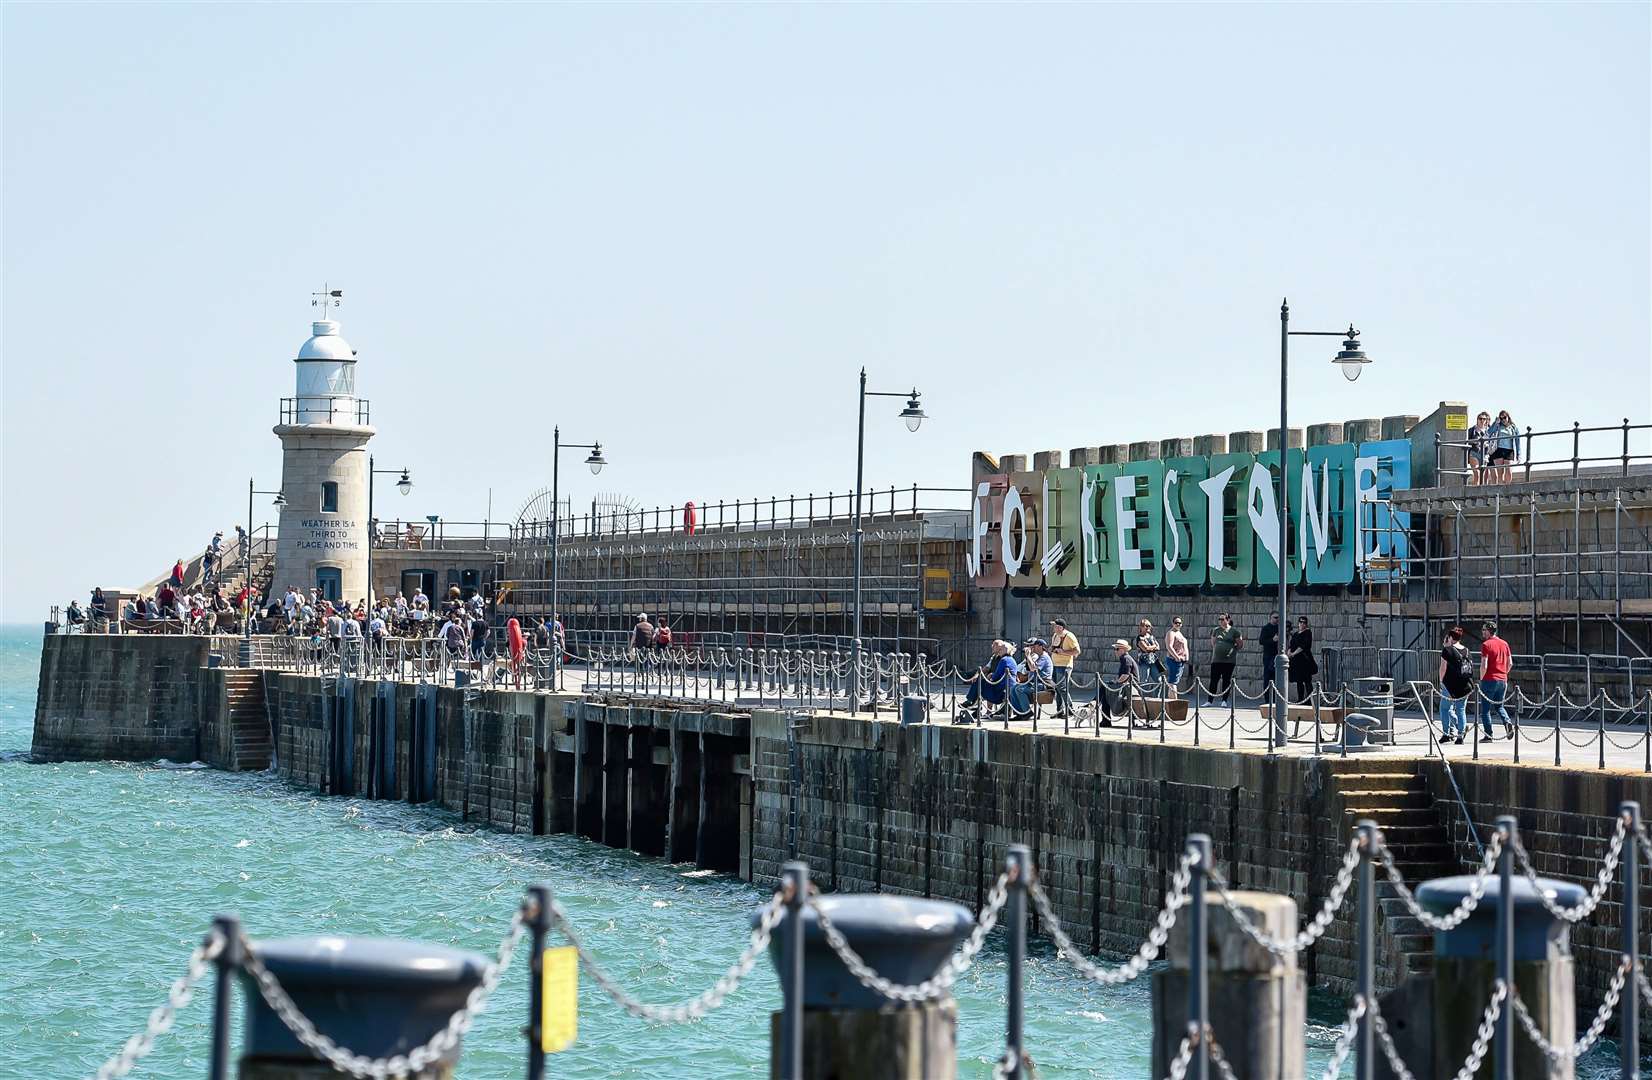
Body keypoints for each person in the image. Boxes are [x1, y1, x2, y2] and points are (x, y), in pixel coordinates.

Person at [957, 640, 1018, 722]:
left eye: (1001, 649)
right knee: (981, 683)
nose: (998, 650)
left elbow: (996, 675)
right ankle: (973, 703)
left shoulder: (1004, 660)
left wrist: (991, 676)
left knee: (980, 684)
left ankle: (972, 702)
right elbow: (987, 668)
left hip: (1001, 689)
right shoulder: (1009, 659)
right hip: (1002, 686)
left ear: (1006, 650)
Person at [1478, 620, 1515, 740]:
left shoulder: (1486, 645)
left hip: (1489, 679)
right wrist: (1504, 673)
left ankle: (1488, 734)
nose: (1482, 632)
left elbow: (1484, 665)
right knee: (1499, 706)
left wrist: (1481, 679)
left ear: (1489, 631)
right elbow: (1510, 663)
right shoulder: (1505, 644)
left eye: (1484, 630)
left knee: (1485, 709)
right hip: (1503, 679)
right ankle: (1507, 722)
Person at [1438, 626, 1473, 744]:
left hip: (1450, 685)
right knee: (1461, 709)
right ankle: (1460, 736)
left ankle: (1446, 733)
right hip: (1465, 685)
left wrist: (1441, 681)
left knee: (1444, 708)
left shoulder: (1447, 650)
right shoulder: (1467, 650)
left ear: (1450, 637)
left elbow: (1443, 668)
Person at [1099, 639, 1140, 727]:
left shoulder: (1126, 659)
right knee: (1105, 687)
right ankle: (1097, 704)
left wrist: (1116, 682)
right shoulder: (1125, 658)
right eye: (1115, 649)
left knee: (1104, 688)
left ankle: (1103, 716)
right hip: (1127, 685)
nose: (1115, 651)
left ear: (1123, 650)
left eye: (1117, 649)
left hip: (1129, 687)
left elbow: (1125, 675)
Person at [1206, 614, 1242, 705]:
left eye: (1222, 619)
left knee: (1226, 680)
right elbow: (1213, 643)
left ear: (1228, 620)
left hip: (1229, 661)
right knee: (1214, 680)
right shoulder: (1216, 630)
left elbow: (1240, 644)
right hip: (1216, 660)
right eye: (1219, 619)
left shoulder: (1234, 631)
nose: (1220, 621)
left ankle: (1224, 700)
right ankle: (1210, 700)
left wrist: (1231, 651)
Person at [1048, 618, 1081, 718]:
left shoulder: (1069, 636)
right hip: (1055, 664)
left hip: (1065, 665)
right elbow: (1053, 647)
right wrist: (1051, 649)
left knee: (1062, 687)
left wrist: (1064, 652)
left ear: (1060, 627)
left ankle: (1071, 709)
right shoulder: (1055, 635)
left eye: (1055, 626)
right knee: (1057, 688)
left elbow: (1077, 651)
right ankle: (1059, 711)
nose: (1053, 628)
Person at [1012, 638, 1052, 718]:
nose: (1032, 648)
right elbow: (1030, 668)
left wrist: (1028, 656)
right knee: (1013, 688)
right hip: (1034, 683)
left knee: (1019, 689)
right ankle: (1020, 713)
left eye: (1034, 646)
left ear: (1040, 647)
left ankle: (1027, 712)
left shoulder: (1044, 657)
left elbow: (1034, 668)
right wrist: (1028, 657)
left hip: (1042, 684)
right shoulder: (1040, 657)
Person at [1287, 616, 1317, 706]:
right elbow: (1291, 645)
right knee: (1299, 681)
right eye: (1301, 622)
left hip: (1305, 660)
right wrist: (1289, 652)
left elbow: (1303, 646)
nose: (1302, 624)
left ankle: (1309, 700)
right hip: (1296, 661)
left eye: (1304, 622)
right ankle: (1300, 699)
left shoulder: (1308, 633)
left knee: (1307, 681)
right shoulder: (1296, 634)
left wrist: (1293, 653)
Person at [1487, 410, 1520, 484]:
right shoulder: (1498, 426)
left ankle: (1507, 490)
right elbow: (1489, 432)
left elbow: (1518, 441)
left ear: (1508, 417)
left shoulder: (1513, 427)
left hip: (1509, 450)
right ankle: (1500, 491)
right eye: (1501, 418)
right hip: (1498, 450)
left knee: (1509, 471)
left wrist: (1518, 454)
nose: (1503, 420)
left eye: (1504, 417)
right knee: (1500, 473)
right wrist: (1496, 423)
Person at [1134, 619, 1163, 692]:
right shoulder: (1139, 637)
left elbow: (1158, 647)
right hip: (1144, 662)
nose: (1148, 628)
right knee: (1144, 681)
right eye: (1146, 626)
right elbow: (1145, 649)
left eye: (1149, 626)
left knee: (1158, 681)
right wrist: (1153, 647)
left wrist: (1151, 648)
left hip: (1153, 661)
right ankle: (1141, 699)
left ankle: (1156, 699)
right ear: (1141, 627)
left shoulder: (1151, 636)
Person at [1163, 617, 1188, 699]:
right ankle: (1174, 701)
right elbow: (1169, 646)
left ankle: (1171, 701)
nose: (1178, 624)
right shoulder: (1171, 633)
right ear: (1172, 623)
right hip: (1173, 660)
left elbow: (1185, 646)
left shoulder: (1179, 633)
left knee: (1173, 682)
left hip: (1181, 660)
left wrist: (1186, 656)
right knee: (1173, 682)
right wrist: (1176, 657)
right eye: (1176, 622)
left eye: (1180, 623)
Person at [1466, 410, 1493, 484]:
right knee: (1477, 473)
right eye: (1480, 418)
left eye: (1484, 419)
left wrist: (1488, 445)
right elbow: (1466, 441)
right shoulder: (1472, 430)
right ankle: (1474, 493)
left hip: (1484, 454)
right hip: (1474, 452)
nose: (1482, 420)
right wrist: (1473, 441)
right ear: (1477, 420)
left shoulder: (1488, 431)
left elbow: (1492, 442)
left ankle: (1479, 492)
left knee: (1482, 475)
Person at [1259, 615, 1280, 692]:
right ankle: (1268, 698)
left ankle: (1275, 697)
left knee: (1276, 677)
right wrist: (1272, 640)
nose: (1277, 619)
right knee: (1268, 676)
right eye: (1275, 617)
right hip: (1268, 655)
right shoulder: (1266, 628)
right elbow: (1261, 641)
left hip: (1277, 655)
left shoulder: (1280, 628)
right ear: (1270, 618)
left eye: (1278, 617)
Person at [507, 617, 527, 689]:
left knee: (514, 667)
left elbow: (509, 645)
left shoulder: (511, 633)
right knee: (519, 667)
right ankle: (518, 681)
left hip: (515, 653)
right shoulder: (522, 639)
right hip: (520, 653)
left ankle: (515, 680)